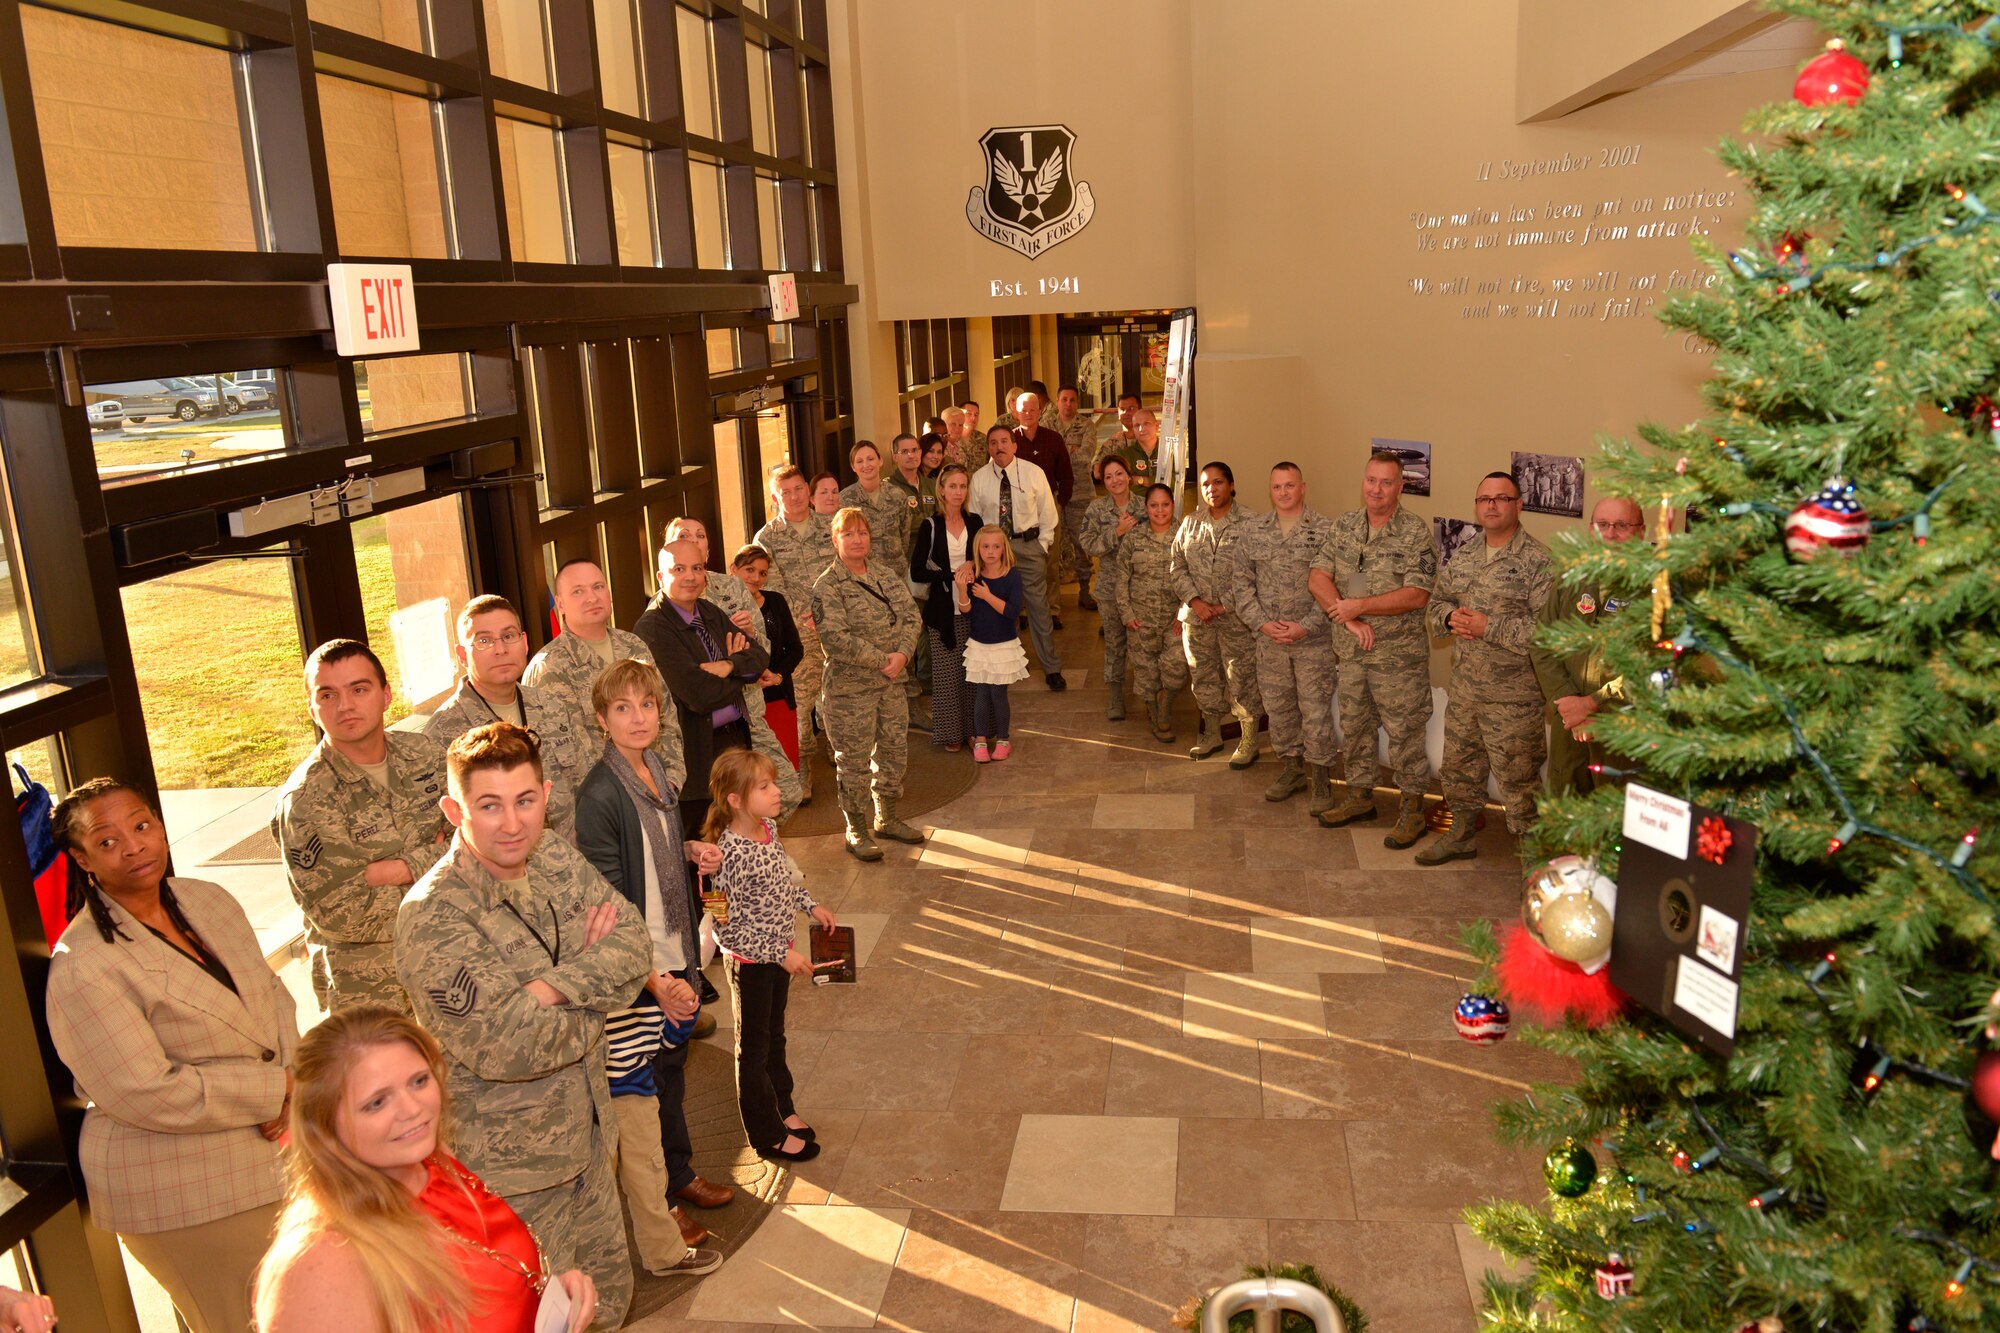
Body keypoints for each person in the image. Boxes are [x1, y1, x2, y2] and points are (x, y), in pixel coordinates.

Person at [395, 722, 653, 1329]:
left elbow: (635, 942)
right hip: (512, 1180)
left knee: (605, 1309)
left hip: (590, 1142)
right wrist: (595, 988)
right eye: (489, 805)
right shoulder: (433, 917)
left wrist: (548, 988)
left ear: (547, 796)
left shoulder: (553, 855)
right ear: (454, 811)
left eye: (525, 800)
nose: (512, 824)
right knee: (534, 1321)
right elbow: (509, 1045)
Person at [46, 779, 299, 1333]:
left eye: (141, 826)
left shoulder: (208, 900)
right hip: (179, 1187)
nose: (134, 846)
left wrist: (293, 1082)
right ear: (82, 859)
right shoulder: (83, 963)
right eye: (107, 841)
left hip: (274, 1153)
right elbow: (144, 1090)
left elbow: (272, 995)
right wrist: (276, 1089)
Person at [252, 1006, 610, 1333]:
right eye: (377, 1102)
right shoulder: (321, 1262)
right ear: (324, 1125)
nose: (412, 1109)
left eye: (419, 1081)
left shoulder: (434, 1164)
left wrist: (548, 1298)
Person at [572, 658, 738, 1258]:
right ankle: (661, 1201)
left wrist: (688, 848)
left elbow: (655, 845)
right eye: (623, 708)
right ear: (602, 719)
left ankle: (680, 1174)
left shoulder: (655, 767)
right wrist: (652, 979)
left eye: (646, 705)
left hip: (674, 945)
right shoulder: (600, 792)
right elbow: (608, 898)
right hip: (640, 965)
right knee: (642, 1089)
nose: (638, 717)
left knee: (671, 1071)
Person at [274, 638, 449, 1013]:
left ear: (386, 695)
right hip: (374, 994)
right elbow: (343, 915)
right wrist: (438, 864)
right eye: (328, 695)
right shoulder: (306, 800)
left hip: (452, 968)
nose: (345, 706)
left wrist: (396, 870)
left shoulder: (425, 755)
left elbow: (476, 843)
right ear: (312, 708)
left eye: (359, 689)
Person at [703, 749, 838, 1163]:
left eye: (773, 783)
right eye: (764, 787)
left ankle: (783, 1106)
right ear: (735, 800)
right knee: (753, 1049)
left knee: (775, 1037)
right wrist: (780, 954)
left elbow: (784, 881)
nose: (777, 791)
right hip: (752, 966)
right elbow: (724, 927)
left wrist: (810, 905)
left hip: (779, 956)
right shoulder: (725, 856)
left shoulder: (768, 829)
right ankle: (766, 1134)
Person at [1416, 471, 1555, 865]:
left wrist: (1488, 627)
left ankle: (1535, 862)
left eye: (1501, 498)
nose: (1491, 506)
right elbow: (1438, 602)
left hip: (1514, 699)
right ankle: (1461, 835)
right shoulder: (1465, 554)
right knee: (1459, 769)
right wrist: (1449, 619)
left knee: (1519, 782)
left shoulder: (1539, 562)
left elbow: (1548, 633)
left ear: (1518, 505)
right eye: (1484, 499)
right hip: (1465, 690)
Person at [1310, 451, 1439, 847]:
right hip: (1352, 653)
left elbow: (1417, 594)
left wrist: (1361, 605)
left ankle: (1412, 812)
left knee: (1405, 734)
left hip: (1398, 660)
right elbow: (1318, 577)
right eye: (1371, 480)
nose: (1376, 489)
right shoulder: (1345, 526)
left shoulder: (1415, 533)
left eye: (1386, 482)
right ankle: (1360, 797)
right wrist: (1348, 618)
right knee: (1355, 727)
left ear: (1400, 487)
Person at [656, 517, 803, 819]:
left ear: (708, 549)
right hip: (700, 734)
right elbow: (696, 681)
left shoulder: (730, 586)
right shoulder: (662, 613)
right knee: (727, 810)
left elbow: (761, 651)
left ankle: (753, 841)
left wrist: (741, 648)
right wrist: (738, 664)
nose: (693, 540)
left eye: (700, 534)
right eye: (684, 535)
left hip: (748, 714)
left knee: (786, 792)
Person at [634, 539, 771, 838]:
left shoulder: (708, 611)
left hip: (734, 743)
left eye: (697, 568)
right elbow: (699, 695)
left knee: (739, 839)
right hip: (695, 758)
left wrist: (728, 665)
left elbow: (760, 657)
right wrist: (740, 672)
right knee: (702, 848)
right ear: (661, 577)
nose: (690, 577)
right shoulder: (653, 628)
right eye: (679, 569)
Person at [423, 596, 595, 834]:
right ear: (462, 655)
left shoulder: (551, 705)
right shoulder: (441, 733)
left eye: (508, 636)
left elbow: (587, 784)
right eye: (484, 641)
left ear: (524, 643)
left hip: (569, 853)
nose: (501, 649)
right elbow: (445, 829)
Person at [811, 507, 924, 860]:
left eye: (862, 533)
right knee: (854, 761)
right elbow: (836, 639)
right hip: (850, 690)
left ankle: (886, 818)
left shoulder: (885, 576)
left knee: (893, 751)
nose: (857, 540)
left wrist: (902, 655)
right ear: (835, 540)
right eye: (848, 534)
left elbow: (911, 616)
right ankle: (856, 829)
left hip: (891, 684)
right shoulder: (827, 586)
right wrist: (884, 661)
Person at [524, 556, 687, 793]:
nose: (592, 598)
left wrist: (670, 780)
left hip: (657, 792)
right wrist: (624, 797)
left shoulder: (633, 646)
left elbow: (666, 716)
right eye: (578, 591)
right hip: (598, 803)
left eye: (598, 587)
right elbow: (558, 759)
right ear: (560, 603)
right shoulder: (550, 667)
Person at [1233, 463, 1338, 815]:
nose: (1283, 492)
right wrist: (1262, 624)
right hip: (1270, 642)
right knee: (1279, 710)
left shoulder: (1326, 530)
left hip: (1313, 642)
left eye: (1290, 485)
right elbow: (1240, 584)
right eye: (1277, 486)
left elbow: (1338, 587)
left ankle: (1320, 779)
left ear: (1303, 488)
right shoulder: (1253, 531)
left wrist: (1307, 626)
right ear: (1270, 490)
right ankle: (1292, 769)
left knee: (1315, 712)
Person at [1532, 496, 1644, 796]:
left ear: (1641, 532)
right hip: (1569, 724)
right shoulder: (1572, 577)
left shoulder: (1655, 589)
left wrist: (1593, 704)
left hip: (1622, 729)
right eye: (1602, 525)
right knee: (1567, 807)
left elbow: (1654, 666)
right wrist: (1569, 702)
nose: (1610, 534)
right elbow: (1542, 644)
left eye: (1621, 526)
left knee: (1617, 811)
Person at [1172, 461, 1265, 765]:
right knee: (1203, 676)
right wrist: (1195, 600)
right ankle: (1211, 734)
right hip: (1197, 619)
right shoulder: (1191, 523)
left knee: (1242, 678)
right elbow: (1177, 566)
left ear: (1231, 485)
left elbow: (1259, 573)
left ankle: (1248, 740)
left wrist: (1226, 604)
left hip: (1237, 620)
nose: (1211, 489)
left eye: (1218, 482)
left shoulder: (1252, 523)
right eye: (1205, 484)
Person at [754, 466, 835, 799]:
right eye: (785, 492)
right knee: (801, 709)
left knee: (838, 698)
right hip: (799, 636)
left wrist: (827, 612)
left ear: (807, 490)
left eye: (799, 488)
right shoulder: (766, 539)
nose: (794, 496)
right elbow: (772, 589)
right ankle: (802, 772)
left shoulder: (831, 526)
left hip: (836, 628)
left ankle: (840, 751)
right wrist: (808, 615)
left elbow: (843, 571)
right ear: (775, 498)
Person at [968, 423, 1066, 689]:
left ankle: (1051, 668)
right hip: (994, 553)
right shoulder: (979, 478)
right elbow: (974, 520)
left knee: (1038, 609)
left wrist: (1042, 546)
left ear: (1014, 445)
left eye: (1004, 441)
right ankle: (1006, 666)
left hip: (1028, 546)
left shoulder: (1034, 472)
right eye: (993, 443)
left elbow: (1048, 513)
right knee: (999, 608)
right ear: (988, 448)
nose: (998, 447)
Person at [910, 462, 982, 751]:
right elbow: (917, 571)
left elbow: (988, 558)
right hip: (942, 611)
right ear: (941, 490)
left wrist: (972, 564)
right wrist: (950, 575)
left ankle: (974, 731)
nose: (958, 492)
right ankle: (952, 733)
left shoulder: (975, 522)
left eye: (963, 486)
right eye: (952, 486)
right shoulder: (930, 525)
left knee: (973, 674)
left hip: (973, 607)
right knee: (947, 676)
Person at [1078, 456, 1147, 720]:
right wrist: (1116, 532)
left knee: (1144, 643)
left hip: (1142, 587)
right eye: (1108, 477)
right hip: (1110, 588)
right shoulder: (1097, 508)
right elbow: (1088, 545)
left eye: (1119, 474)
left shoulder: (1145, 506)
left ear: (1129, 476)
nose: (1115, 480)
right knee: (1115, 643)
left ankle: (1149, 695)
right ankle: (1116, 695)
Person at [1122, 483, 1186, 743]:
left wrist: (1183, 613)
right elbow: (1121, 579)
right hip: (1141, 619)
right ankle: (1155, 712)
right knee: (1146, 671)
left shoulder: (1185, 536)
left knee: (1177, 667)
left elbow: (1196, 580)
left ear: (1173, 505)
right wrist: (1127, 614)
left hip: (1174, 620)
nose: (1160, 510)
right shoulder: (1134, 538)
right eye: (1154, 505)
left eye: (1165, 504)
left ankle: (1165, 705)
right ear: (1146, 508)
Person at [734, 543, 804, 765]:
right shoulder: (718, 607)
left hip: (777, 697)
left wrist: (778, 676)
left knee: (784, 769)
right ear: (733, 569)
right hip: (741, 705)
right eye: (749, 570)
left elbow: (795, 648)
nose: (756, 578)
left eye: (762, 573)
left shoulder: (776, 601)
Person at [962, 526, 1027, 762]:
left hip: (1003, 645)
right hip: (980, 644)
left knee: (998, 693)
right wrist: (962, 589)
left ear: (1004, 549)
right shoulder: (975, 576)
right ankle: (980, 740)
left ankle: (1003, 739)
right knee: (981, 693)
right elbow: (968, 612)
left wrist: (987, 595)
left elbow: (1012, 612)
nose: (990, 551)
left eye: (996, 546)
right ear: (978, 549)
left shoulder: (1012, 576)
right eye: (985, 546)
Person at [1008, 391, 1074, 618]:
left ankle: (1052, 610)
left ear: (1040, 411)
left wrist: (1060, 504)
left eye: (1032, 410)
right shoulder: (1009, 440)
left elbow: (1066, 475)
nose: (1028, 414)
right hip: (1019, 509)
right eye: (1023, 410)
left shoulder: (1053, 439)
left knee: (1050, 560)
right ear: (1016, 412)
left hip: (1049, 506)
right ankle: (1022, 611)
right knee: (1020, 561)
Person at [1052, 386, 1101, 609]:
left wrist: (1059, 456)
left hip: (1080, 494)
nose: (1068, 404)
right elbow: (1043, 458)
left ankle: (1084, 590)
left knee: (1083, 543)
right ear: (1057, 401)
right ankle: (1054, 597)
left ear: (1077, 403)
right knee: (1053, 545)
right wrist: (1069, 450)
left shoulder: (1087, 425)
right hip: (1053, 495)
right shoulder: (1047, 425)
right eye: (1064, 399)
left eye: (1072, 400)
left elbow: (1085, 456)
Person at [837, 439, 911, 577]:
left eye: (870, 459)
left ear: (880, 461)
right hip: (862, 576)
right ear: (853, 467)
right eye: (859, 461)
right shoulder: (844, 500)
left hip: (896, 575)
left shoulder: (897, 495)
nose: (866, 465)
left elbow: (905, 536)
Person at [883, 431, 936, 557]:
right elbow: (898, 526)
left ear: (920, 452)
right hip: (906, 557)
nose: (911, 455)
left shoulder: (933, 485)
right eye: (905, 451)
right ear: (894, 457)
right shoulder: (887, 488)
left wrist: (915, 518)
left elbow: (944, 517)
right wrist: (932, 518)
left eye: (914, 450)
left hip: (935, 553)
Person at [1098, 406, 1163, 490]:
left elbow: (1173, 482)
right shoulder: (1124, 455)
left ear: (1157, 426)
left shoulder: (1169, 452)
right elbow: (1124, 486)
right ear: (1133, 429)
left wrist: (1141, 480)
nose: (1141, 429)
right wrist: (1157, 482)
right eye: (1137, 425)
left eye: (1146, 423)